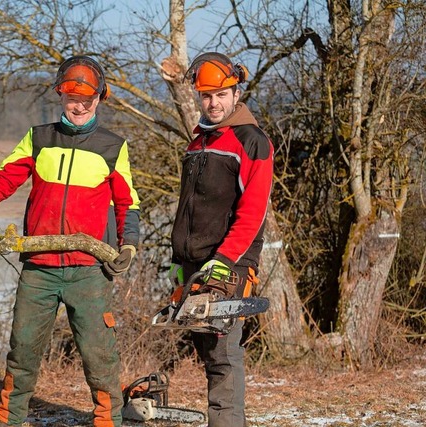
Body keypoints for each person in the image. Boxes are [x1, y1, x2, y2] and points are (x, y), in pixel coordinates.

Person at [0, 55, 141, 427]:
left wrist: (128, 244)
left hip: (88, 272)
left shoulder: (113, 146)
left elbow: (127, 203)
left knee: (99, 356)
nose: (79, 105)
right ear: (60, 95)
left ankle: (108, 422)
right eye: (72, 97)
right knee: (22, 352)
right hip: (39, 268)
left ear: (100, 98)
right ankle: (10, 420)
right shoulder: (39, 138)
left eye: (87, 98)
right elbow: (0, 182)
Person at [169, 52, 274, 426]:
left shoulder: (251, 141)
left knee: (223, 356)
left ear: (235, 92)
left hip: (228, 265)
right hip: (194, 264)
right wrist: (179, 266)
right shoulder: (197, 142)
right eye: (206, 96)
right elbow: (188, 211)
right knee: (209, 356)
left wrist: (224, 260)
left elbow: (252, 214)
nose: (213, 103)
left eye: (221, 94)